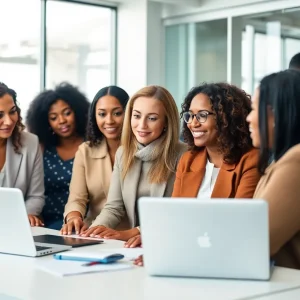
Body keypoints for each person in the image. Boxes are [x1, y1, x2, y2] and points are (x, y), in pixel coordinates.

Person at [126, 82, 261, 265]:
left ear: (226, 117)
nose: (193, 123)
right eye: (190, 115)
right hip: (187, 255)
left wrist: (176, 251)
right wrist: (158, 242)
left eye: (203, 115)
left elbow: (236, 225)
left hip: (227, 258)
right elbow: (176, 218)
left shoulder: (250, 160)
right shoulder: (189, 159)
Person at [80, 85, 187, 241]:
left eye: (152, 118)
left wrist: (135, 232)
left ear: (166, 121)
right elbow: (113, 208)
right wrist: (91, 233)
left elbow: (177, 212)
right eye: (137, 116)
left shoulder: (184, 154)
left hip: (169, 239)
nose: (142, 125)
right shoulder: (123, 153)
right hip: (133, 244)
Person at [247, 69, 300, 270]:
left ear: (277, 113)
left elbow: (255, 240)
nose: (248, 119)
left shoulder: (296, 162)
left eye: (254, 109)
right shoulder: (282, 161)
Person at [61, 86, 130, 235]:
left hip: (131, 235)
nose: (109, 121)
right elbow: (76, 198)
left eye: (117, 113)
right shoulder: (85, 151)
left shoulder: (141, 151)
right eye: (102, 114)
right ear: (94, 117)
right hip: (94, 232)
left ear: (129, 113)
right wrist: (74, 217)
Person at [26, 83, 90, 229]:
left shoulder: (90, 146)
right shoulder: (42, 148)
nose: (62, 121)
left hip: (81, 223)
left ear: (78, 112)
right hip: (43, 223)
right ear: (46, 122)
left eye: (67, 113)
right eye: (54, 117)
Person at [0, 82, 44, 226]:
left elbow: (36, 196)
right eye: (0, 115)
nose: (8, 121)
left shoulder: (31, 143)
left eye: (12, 111)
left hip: (16, 228)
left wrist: (26, 216)